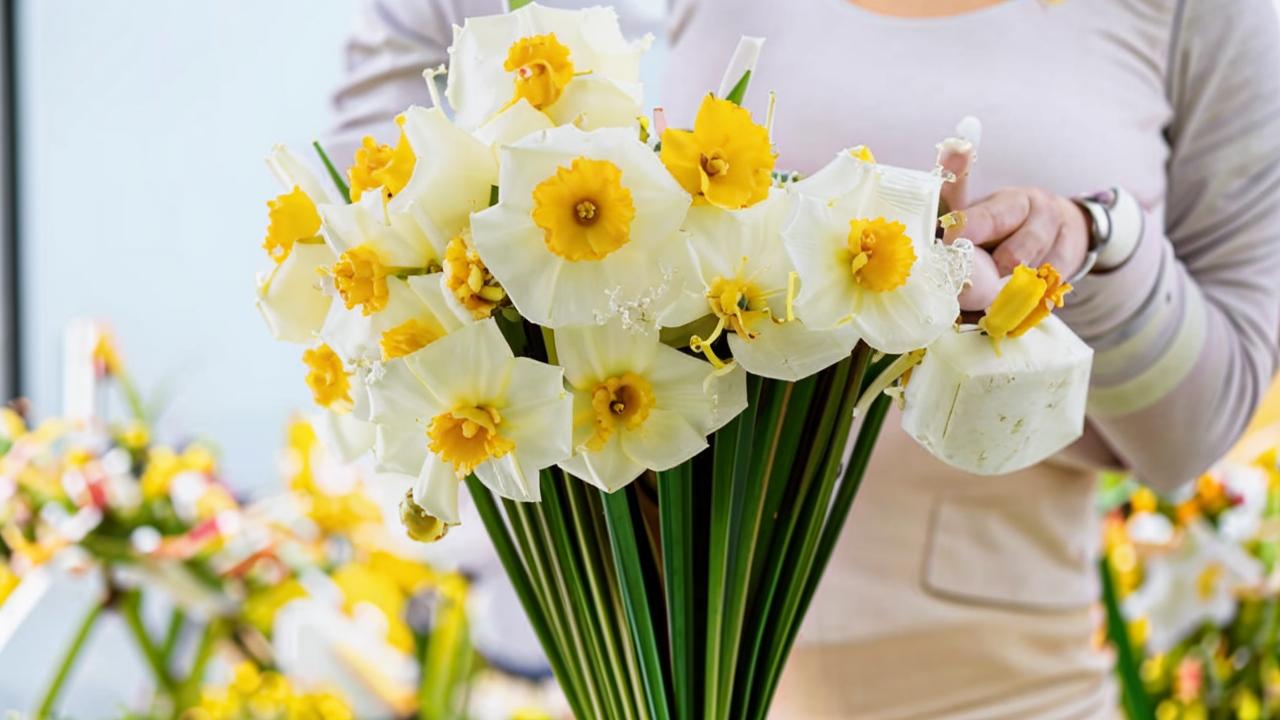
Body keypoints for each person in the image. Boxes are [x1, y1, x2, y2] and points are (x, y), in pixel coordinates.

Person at [329, 0, 1280, 717]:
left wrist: (1096, 246)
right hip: (621, 673)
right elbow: (372, 221)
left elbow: (1195, 433)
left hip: (999, 693)